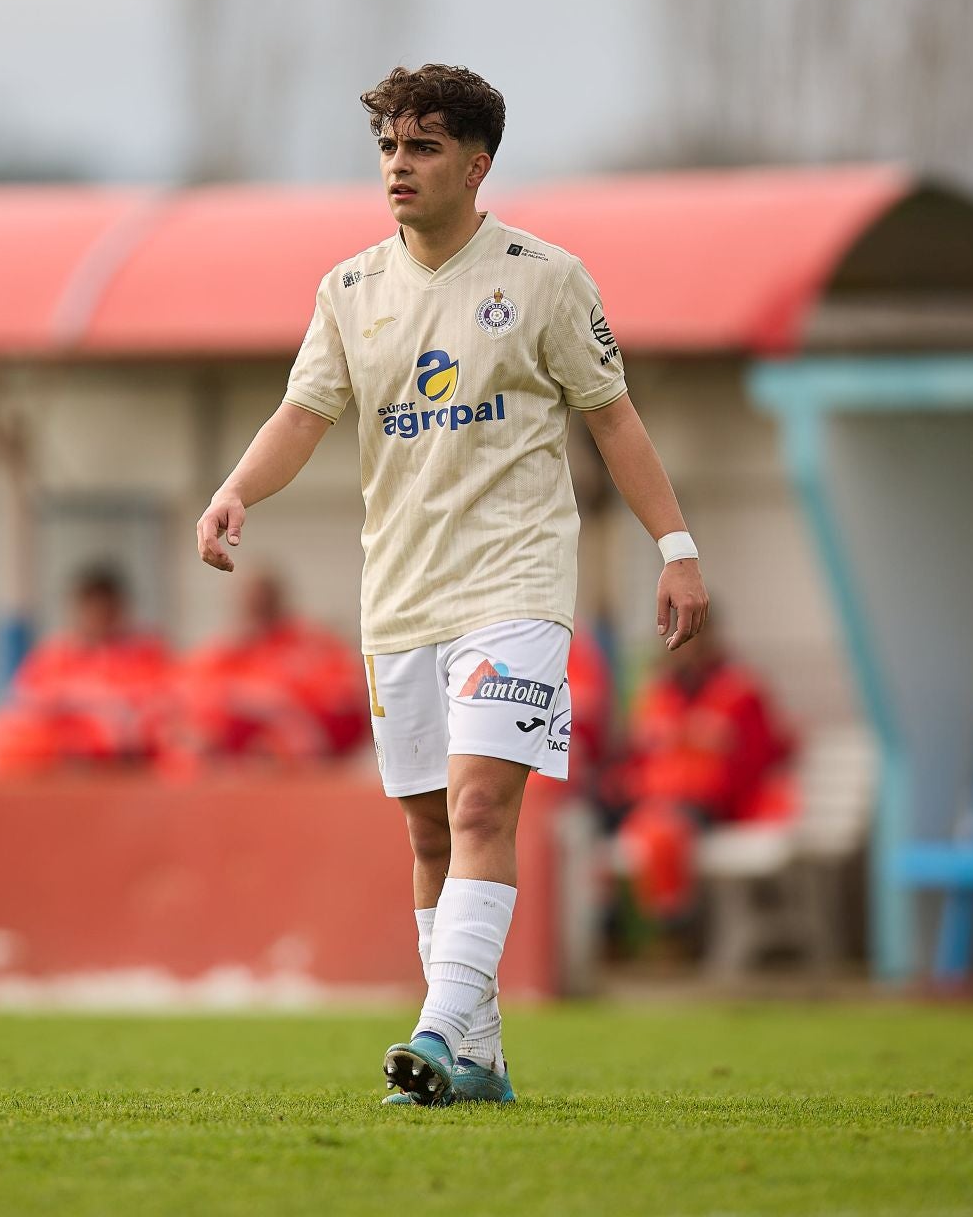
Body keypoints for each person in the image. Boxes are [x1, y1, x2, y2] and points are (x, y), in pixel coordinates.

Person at [195, 64, 708, 1105]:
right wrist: (238, 489)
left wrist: (676, 544)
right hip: (400, 595)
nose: (397, 164)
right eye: (389, 146)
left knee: (481, 805)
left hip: (514, 586)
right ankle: (478, 1058)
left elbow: (613, 414)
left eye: (421, 147)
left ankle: (433, 1030)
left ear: (476, 165)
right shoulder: (348, 291)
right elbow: (304, 414)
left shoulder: (546, 278)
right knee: (431, 831)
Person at [609, 631, 795, 922]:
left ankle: (672, 924)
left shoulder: (740, 691)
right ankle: (650, 921)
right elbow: (635, 756)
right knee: (638, 828)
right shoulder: (658, 693)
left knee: (661, 831)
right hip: (654, 803)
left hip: (715, 808)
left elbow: (767, 756)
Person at [0, 566, 173, 777]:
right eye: (93, 610)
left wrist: (120, 715)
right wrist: (86, 704)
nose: (99, 618)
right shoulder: (54, 656)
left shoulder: (147, 653)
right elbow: (24, 704)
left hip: (129, 757)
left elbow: (166, 701)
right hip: (63, 756)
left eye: (107, 611)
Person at [168, 571, 369, 768]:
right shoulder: (219, 653)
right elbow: (187, 709)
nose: (256, 605)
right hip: (232, 768)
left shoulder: (315, 646)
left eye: (261, 598)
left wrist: (289, 716)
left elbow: (347, 703)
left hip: (309, 765)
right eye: (249, 600)